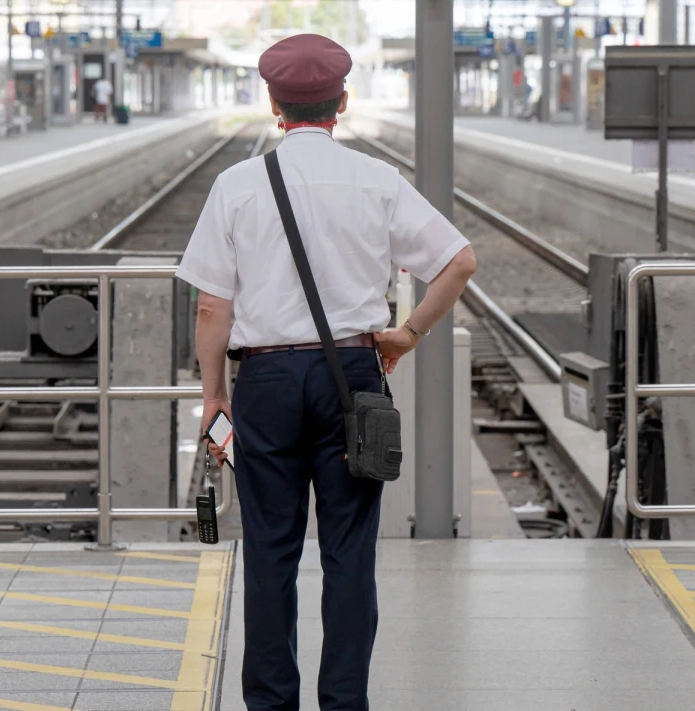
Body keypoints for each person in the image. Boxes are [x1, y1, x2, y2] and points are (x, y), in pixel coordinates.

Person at [174, 33, 477, 711]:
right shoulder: (375, 180)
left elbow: (210, 308)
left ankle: (272, 702)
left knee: (270, 552)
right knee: (348, 554)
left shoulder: (238, 185)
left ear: (275, 105)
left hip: (268, 383)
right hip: (352, 377)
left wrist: (215, 397)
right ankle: (344, 702)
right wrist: (407, 333)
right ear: (341, 102)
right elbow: (459, 261)